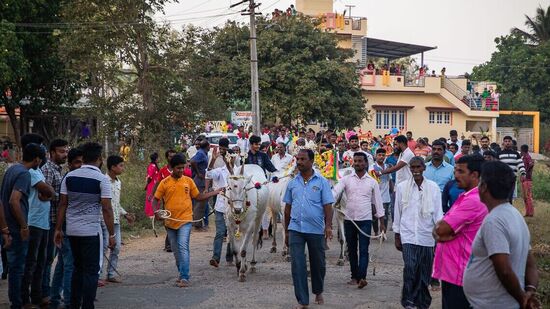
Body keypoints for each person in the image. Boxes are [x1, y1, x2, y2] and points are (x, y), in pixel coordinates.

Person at [463, 161, 540, 309]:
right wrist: (530, 291)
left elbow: (503, 270)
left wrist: (522, 298)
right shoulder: (515, 214)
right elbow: (530, 263)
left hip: (493, 305)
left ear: (484, 187)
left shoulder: (494, 221)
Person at [54, 142, 116, 309]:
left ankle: (74, 304)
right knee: (91, 271)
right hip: (91, 232)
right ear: (99, 159)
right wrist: (112, 234)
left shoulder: (69, 176)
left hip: (72, 231)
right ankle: (88, 305)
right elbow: (107, 208)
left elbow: (62, 204)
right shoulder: (102, 179)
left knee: (77, 268)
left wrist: (58, 229)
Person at [153, 154, 222, 288]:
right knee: (175, 250)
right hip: (169, 222)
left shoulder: (188, 181)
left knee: (183, 247)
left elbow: (198, 196)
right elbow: (155, 199)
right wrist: (157, 212)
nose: (181, 170)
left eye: (183, 168)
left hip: (185, 220)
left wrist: (214, 192)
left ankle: (185, 276)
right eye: (178, 168)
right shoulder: (164, 183)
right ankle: (181, 272)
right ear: (171, 168)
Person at [432, 155, 488, 309]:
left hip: (461, 275)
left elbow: (441, 229)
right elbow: (440, 230)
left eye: (461, 171)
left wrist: (443, 232)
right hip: (454, 273)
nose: (455, 175)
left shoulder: (473, 200)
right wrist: (442, 232)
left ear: (475, 175)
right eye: (455, 170)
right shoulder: (465, 196)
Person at [283, 149, 334, 308]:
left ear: (311, 161)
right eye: (298, 159)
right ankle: (303, 301)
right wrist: (286, 231)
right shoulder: (292, 183)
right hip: (295, 229)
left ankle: (318, 290)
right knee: (297, 265)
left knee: (318, 264)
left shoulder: (322, 182)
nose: (299, 162)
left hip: (316, 229)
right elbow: (287, 208)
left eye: (303, 159)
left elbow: (328, 206)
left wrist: (328, 226)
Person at [393, 157, 443, 309]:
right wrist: (397, 235)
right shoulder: (402, 187)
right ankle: (408, 300)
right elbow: (398, 211)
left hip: (426, 236)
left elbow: (438, 214)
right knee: (410, 268)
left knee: (424, 272)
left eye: (418, 167)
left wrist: (440, 235)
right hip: (407, 235)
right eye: (412, 168)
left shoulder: (433, 188)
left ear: (424, 168)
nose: (415, 170)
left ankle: (422, 302)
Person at [332, 152, 385, 289]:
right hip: (349, 219)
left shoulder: (372, 182)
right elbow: (335, 192)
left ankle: (362, 277)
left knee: (363, 249)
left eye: (360, 161)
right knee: (352, 249)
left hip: (365, 220)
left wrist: (382, 224)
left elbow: (378, 203)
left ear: (366, 163)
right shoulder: (346, 179)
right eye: (355, 161)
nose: (357, 163)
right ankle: (354, 277)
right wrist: (326, 199)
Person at [2, 143, 44, 309]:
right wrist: (24, 226)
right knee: (18, 268)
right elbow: (14, 201)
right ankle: (17, 304)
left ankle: (17, 302)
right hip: (16, 227)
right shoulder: (24, 174)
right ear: (36, 159)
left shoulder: (11, 169)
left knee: (14, 267)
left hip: (8, 226)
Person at [50, 147, 83, 309]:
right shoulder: (69, 178)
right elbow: (62, 205)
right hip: (66, 227)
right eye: (77, 162)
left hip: (66, 227)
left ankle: (55, 298)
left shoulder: (71, 177)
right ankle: (69, 301)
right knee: (69, 264)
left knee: (63, 264)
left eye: (82, 162)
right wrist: (59, 228)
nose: (80, 165)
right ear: (69, 164)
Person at [22, 147, 55, 308]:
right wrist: (49, 193)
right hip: (33, 222)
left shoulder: (38, 172)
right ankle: (25, 299)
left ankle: (37, 296)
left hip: (43, 223)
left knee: (40, 262)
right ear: (38, 159)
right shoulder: (32, 173)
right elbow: (48, 190)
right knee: (31, 262)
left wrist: (48, 193)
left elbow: (48, 192)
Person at [40, 138, 68, 304]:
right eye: (61, 151)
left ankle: (51, 291)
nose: (64, 154)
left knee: (54, 259)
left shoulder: (58, 170)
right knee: (47, 259)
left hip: (56, 220)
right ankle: (44, 293)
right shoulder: (48, 170)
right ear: (52, 153)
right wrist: (63, 198)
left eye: (66, 151)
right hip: (49, 220)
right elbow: (44, 195)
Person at [100, 155, 135, 284]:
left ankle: (111, 273)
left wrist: (125, 214)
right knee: (103, 248)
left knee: (117, 247)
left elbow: (115, 203)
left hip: (115, 220)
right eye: (121, 165)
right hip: (104, 220)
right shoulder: (103, 181)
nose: (122, 168)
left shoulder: (118, 182)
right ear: (113, 167)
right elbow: (105, 204)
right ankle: (98, 275)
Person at [206, 145, 234, 268]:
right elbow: (209, 174)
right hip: (221, 206)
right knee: (220, 232)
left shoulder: (239, 171)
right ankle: (215, 257)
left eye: (232, 157)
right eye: (229, 157)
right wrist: (212, 160)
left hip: (234, 207)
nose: (230, 160)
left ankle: (230, 256)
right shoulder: (220, 171)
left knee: (232, 232)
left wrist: (231, 168)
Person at [158, 149, 177, 252]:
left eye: (174, 156)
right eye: (170, 156)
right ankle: (169, 243)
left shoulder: (179, 170)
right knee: (167, 221)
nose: (172, 158)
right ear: (167, 158)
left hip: (178, 200)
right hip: (166, 200)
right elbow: (158, 185)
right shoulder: (163, 171)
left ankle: (170, 243)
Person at [498, 136, 526, 202]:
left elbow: (520, 164)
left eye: (509, 141)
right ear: (503, 143)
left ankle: (508, 211)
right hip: (501, 179)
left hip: (512, 179)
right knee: (502, 198)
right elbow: (496, 166)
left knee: (510, 197)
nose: (507, 143)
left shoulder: (516, 154)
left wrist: (523, 173)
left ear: (512, 143)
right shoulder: (499, 154)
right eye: (506, 141)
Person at [190, 140, 210, 231]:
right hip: (200, 180)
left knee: (202, 203)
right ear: (207, 146)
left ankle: (198, 223)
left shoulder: (203, 153)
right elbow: (192, 161)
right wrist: (198, 173)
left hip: (202, 179)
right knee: (199, 203)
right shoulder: (201, 153)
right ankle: (197, 225)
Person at [373, 148, 392, 231]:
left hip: (385, 196)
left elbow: (390, 179)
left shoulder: (387, 167)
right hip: (375, 196)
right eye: (379, 155)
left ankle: (383, 233)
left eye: (383, 155)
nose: (381, 157)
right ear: (376, 156)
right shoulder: (372, 167)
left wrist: (392, 189)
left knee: (385, 216)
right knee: (375, 215)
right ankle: (376, 232)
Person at [520, 144, 535, 217]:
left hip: (527, 179)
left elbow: (531, 164)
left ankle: (530, 212)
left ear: (522, 150)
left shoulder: (527, 157)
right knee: (525, 197)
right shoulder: (524, 157)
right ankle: (527, 212)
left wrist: (526, 172)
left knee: (528, 196)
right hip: (524, 179)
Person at [144, 153, 160, 218]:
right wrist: (147, 184)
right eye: (158, 158)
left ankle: (155, 214)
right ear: (156, 159)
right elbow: (149, 177)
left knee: (155, 199)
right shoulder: (152, 166)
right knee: (152, 199)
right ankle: (151, 215)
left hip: (155, 184)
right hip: (152, 185)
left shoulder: (154, 165)